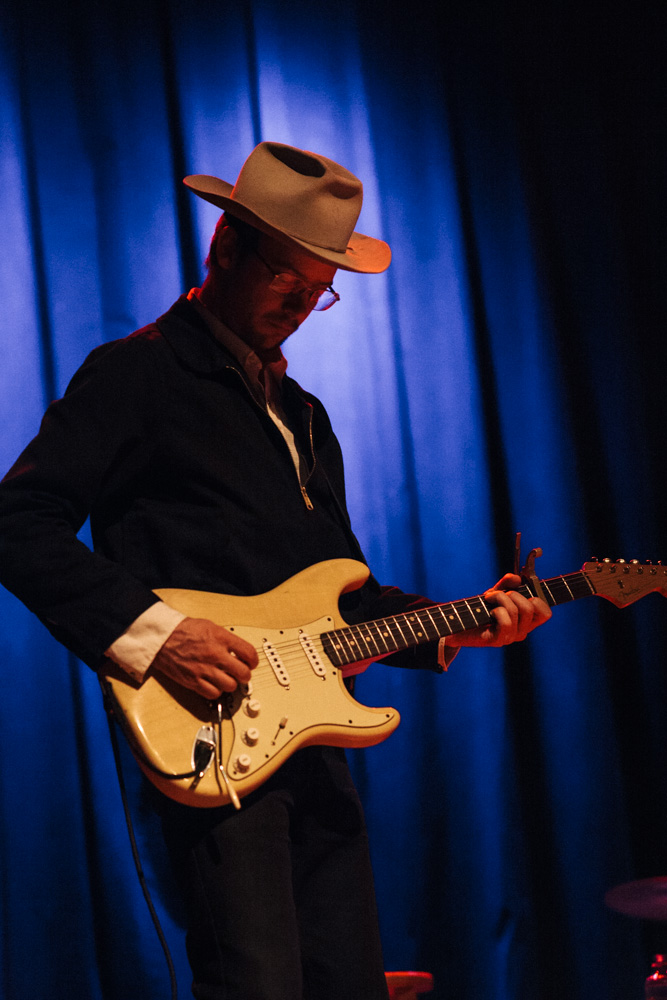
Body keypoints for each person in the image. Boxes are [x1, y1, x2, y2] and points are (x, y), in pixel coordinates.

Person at [0, 141, 551, 999]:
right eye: (287, 278)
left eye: (318, 290)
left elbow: (344, 594)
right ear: (226, 246)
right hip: (211, 731)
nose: (300, 306)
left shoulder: (305, 415)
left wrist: (461, 624)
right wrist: (160, 636)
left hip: (312, 744)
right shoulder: (140, 373)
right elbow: (18, 523)